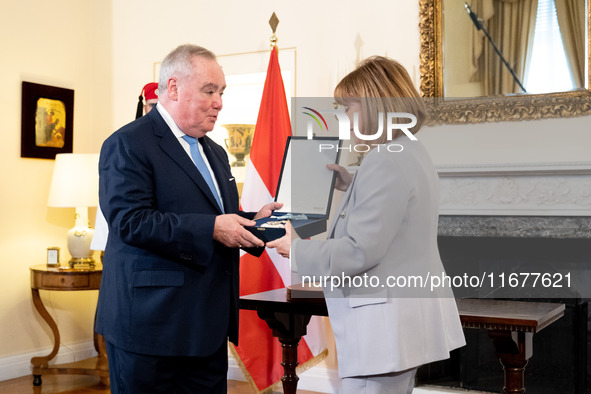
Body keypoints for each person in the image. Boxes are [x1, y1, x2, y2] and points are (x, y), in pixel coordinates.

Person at [267, 56, 466, 394]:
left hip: (382, 328)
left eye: (348, 107)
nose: (343, 117)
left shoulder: (383, 159)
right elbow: (399, 209)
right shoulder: (408, 150)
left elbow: (360, 251)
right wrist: (353, 182)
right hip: (401, 320)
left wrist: (295, 248)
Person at [95, 44, 281, 393]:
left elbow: (213, 217)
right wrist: (213, 227)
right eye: (209, 91)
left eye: (221, 92)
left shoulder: (215, 151)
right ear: (174, 88)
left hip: (206, 330)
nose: (219, 102)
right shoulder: (128, 143)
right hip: (150, 331)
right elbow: (130, 221)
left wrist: (257, 221)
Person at [91, 81, 160, 253]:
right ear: (144, 106)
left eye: (160, 105)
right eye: (153, 105)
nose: (157, 110)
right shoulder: (126, 141)